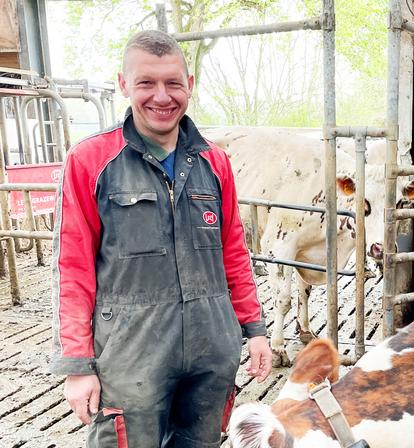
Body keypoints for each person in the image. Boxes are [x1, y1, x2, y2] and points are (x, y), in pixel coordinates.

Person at [50, 30, 272, 447]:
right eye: (146, 83)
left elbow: (233, 252)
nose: (162, 96)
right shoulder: (90, 161)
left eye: (173, 82)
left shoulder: (214, 162)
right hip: (130, 354)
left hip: (211, 348)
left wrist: (254, 329)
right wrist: (77, 364)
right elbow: (73, 268)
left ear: (190, 84)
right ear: (123, 84)